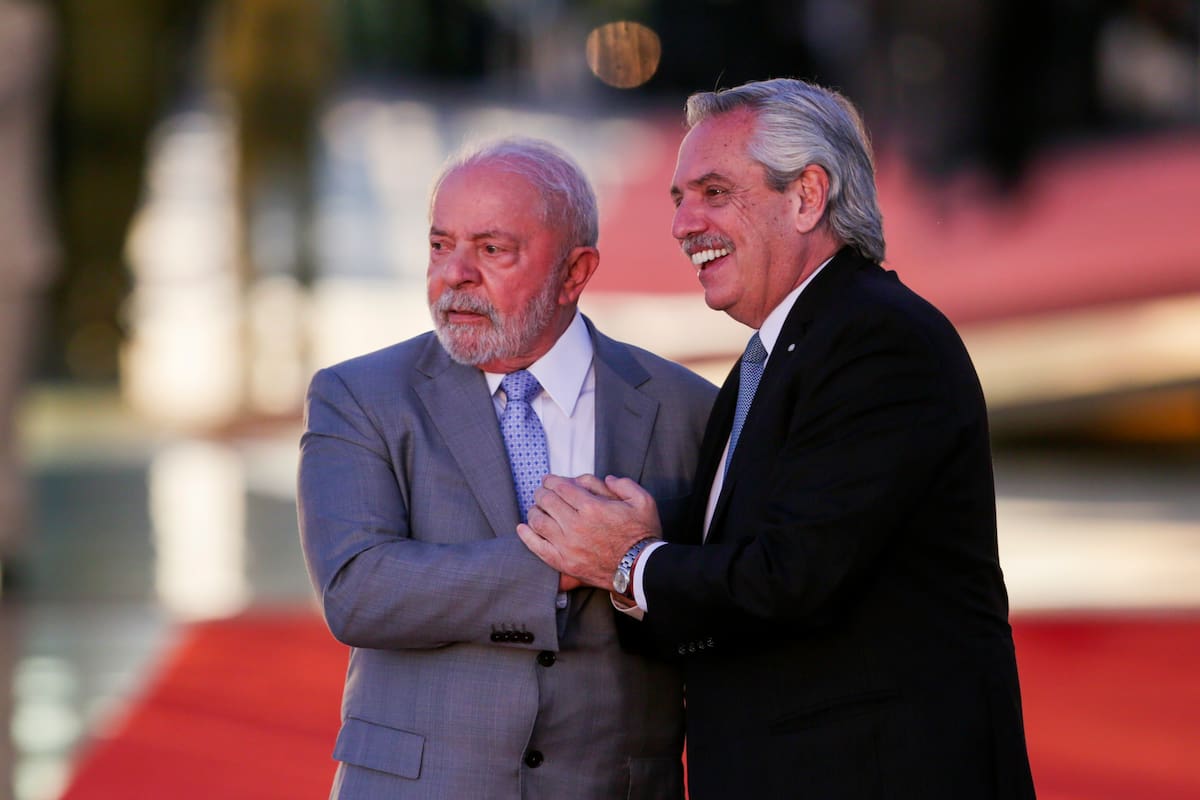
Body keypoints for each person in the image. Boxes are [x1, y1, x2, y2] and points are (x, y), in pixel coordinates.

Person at [518, 78, 1036, 799]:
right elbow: (745, 595)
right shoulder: (778, 355)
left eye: (714, 192)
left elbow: (792, 578)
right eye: (679, 199)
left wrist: (632, 562)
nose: (682, 224)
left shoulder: (878, 340)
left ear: (807, 196)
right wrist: (649, 565)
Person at [297, 137, 716, 798]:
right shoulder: (359, 395)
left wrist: (643, 565)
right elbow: (357, 589)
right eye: (440, 245)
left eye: (492, 250)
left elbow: (721, 604)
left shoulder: (689, 409)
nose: (454, 273)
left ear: (575, 274)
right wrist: (571, 560)